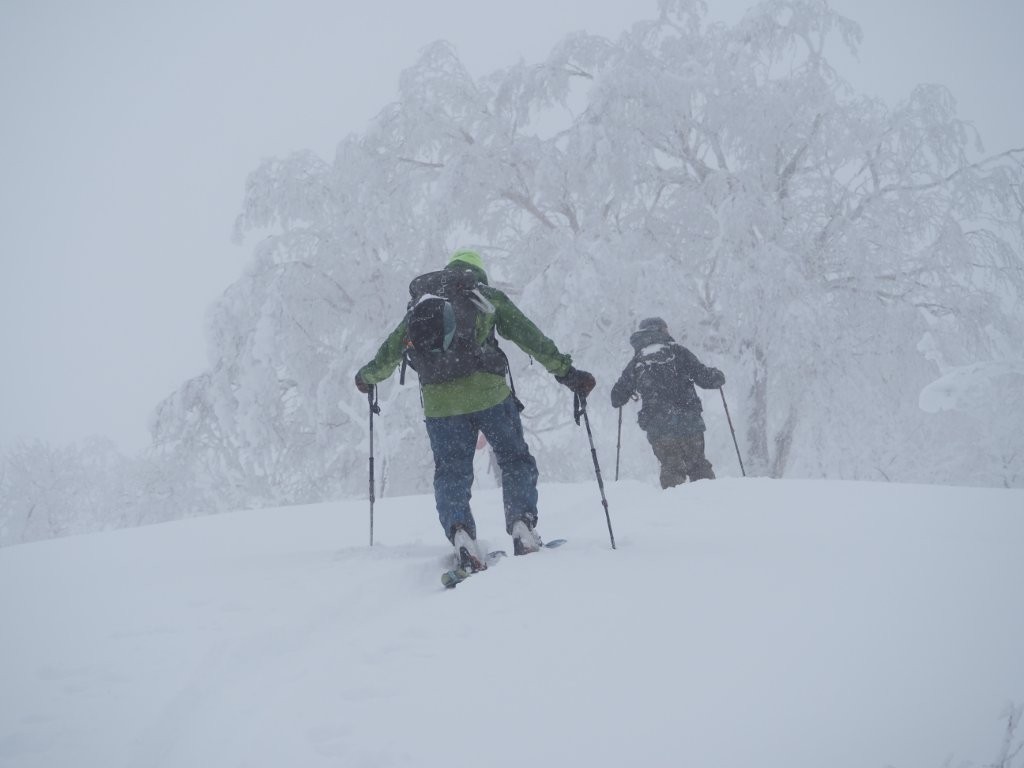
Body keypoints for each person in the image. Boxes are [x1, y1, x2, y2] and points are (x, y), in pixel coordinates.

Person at [355, 249, 595, 571]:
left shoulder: (423, 304)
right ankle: (522, 525)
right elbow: (530, 337)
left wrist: (367, 377)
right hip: (489, 395)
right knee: (513, 459)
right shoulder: (485, 297)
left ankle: (461, 534)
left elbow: (391, 349)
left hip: (441, 405)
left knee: (452, 471)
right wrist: (566, 372)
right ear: (476, 273)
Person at [610, 317, 725, 488]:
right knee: (698, 466)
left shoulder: (637, 361)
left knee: (671, 468)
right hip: (689, 422)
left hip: (659, 428)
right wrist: (717, 376)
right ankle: (709, 504)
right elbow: (706, 378)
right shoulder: (678, 351)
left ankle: (673, 508)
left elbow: (617, 397)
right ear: (660, 330)